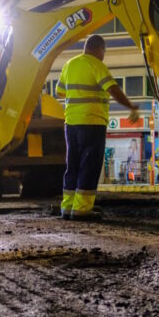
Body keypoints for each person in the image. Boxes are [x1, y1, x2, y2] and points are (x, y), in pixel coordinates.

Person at [55, 34, 139, 221]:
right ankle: (82, 209)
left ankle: (68, 207)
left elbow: (59, 92)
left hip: (71, 123)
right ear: (99, 48)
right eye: (104, 51)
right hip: (92, 122)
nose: (103, 55)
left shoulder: (70, 64)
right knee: (89, 165)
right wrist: (131, 106)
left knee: (73, 165)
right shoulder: (96, 64)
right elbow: (113, 89)